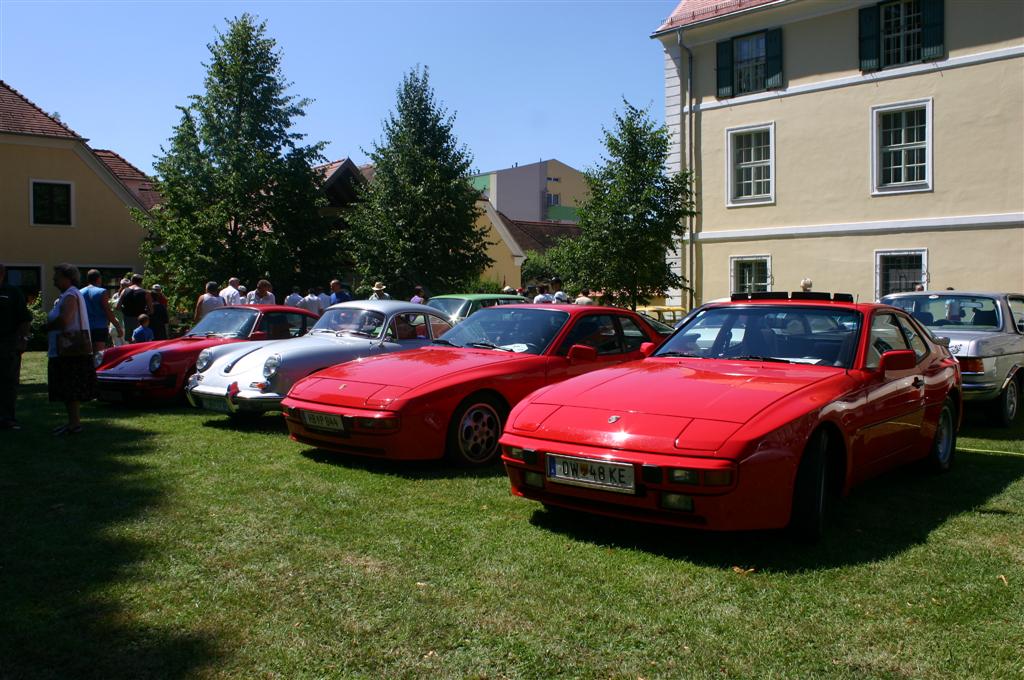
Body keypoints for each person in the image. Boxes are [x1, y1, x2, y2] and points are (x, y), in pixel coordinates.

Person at [45, 263, 96, 436]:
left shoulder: (70, 295)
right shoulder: (69, 295)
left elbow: (65, 320)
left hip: (70, 350)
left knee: (70, 388)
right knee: (67, 390)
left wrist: (46, 326)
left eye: (57, 277)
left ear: (68, 278)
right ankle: (72, 423)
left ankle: (74, 424)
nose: (54, 280)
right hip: (67, 350)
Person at [0, 264, 32, 430]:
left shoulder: (12, 293)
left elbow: (24, 318)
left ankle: (7, 417)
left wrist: (23, 339)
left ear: (3, 273)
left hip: (7, 342)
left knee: (9, 381)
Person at [80, 269, 123, 352]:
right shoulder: (102, 291)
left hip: (84, 327)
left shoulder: (80, 292)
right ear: (99, 278)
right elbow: (107, 311)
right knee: (98, 355)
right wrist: (117, 326)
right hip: (99, 328)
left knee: (87, 355)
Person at [117, 273, 152, 338]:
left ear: (132, 281)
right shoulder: (146, 293)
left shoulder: (124, 291)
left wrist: (125, 311)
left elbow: (118, 307)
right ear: (141, 282)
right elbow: (151, 310)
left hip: (128, 319)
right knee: (141, 341)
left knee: (130, 341)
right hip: (141, 321)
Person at [108, 278, 130, 346]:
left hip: (114, 326)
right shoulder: (129, 296)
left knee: (117, 349)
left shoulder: (115, 296)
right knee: (127, 350)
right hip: (125, 327)